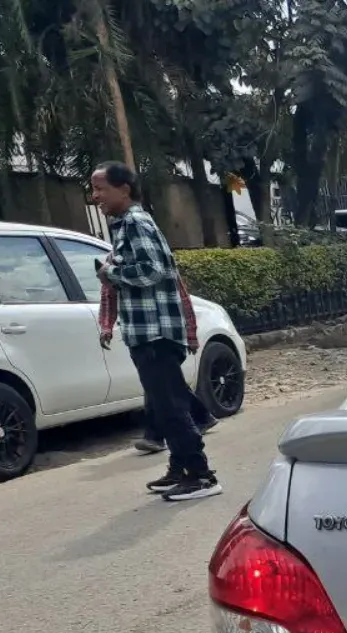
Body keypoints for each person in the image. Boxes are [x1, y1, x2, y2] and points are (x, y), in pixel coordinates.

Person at [90, 162, 222, 501]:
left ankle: (201, 475)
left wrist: (109, 273)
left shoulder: (135, 222)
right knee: (168, 404)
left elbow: (155, 269)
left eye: (100, 189)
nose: (95, 197)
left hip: (156, 333)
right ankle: (180, 467)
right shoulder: (124, 226)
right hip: (145, 332)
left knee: (170, 407)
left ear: (124, 189)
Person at [97, 260, 216, 455]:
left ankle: (158, 437)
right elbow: (108, 296)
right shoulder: (115, 263)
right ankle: (200, 418)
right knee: (165, 384)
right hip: (142, 335)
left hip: (165, 335)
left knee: (161, 386)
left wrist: (191, 334)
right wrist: (106, 327)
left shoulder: (154, 259)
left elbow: (182, 297)